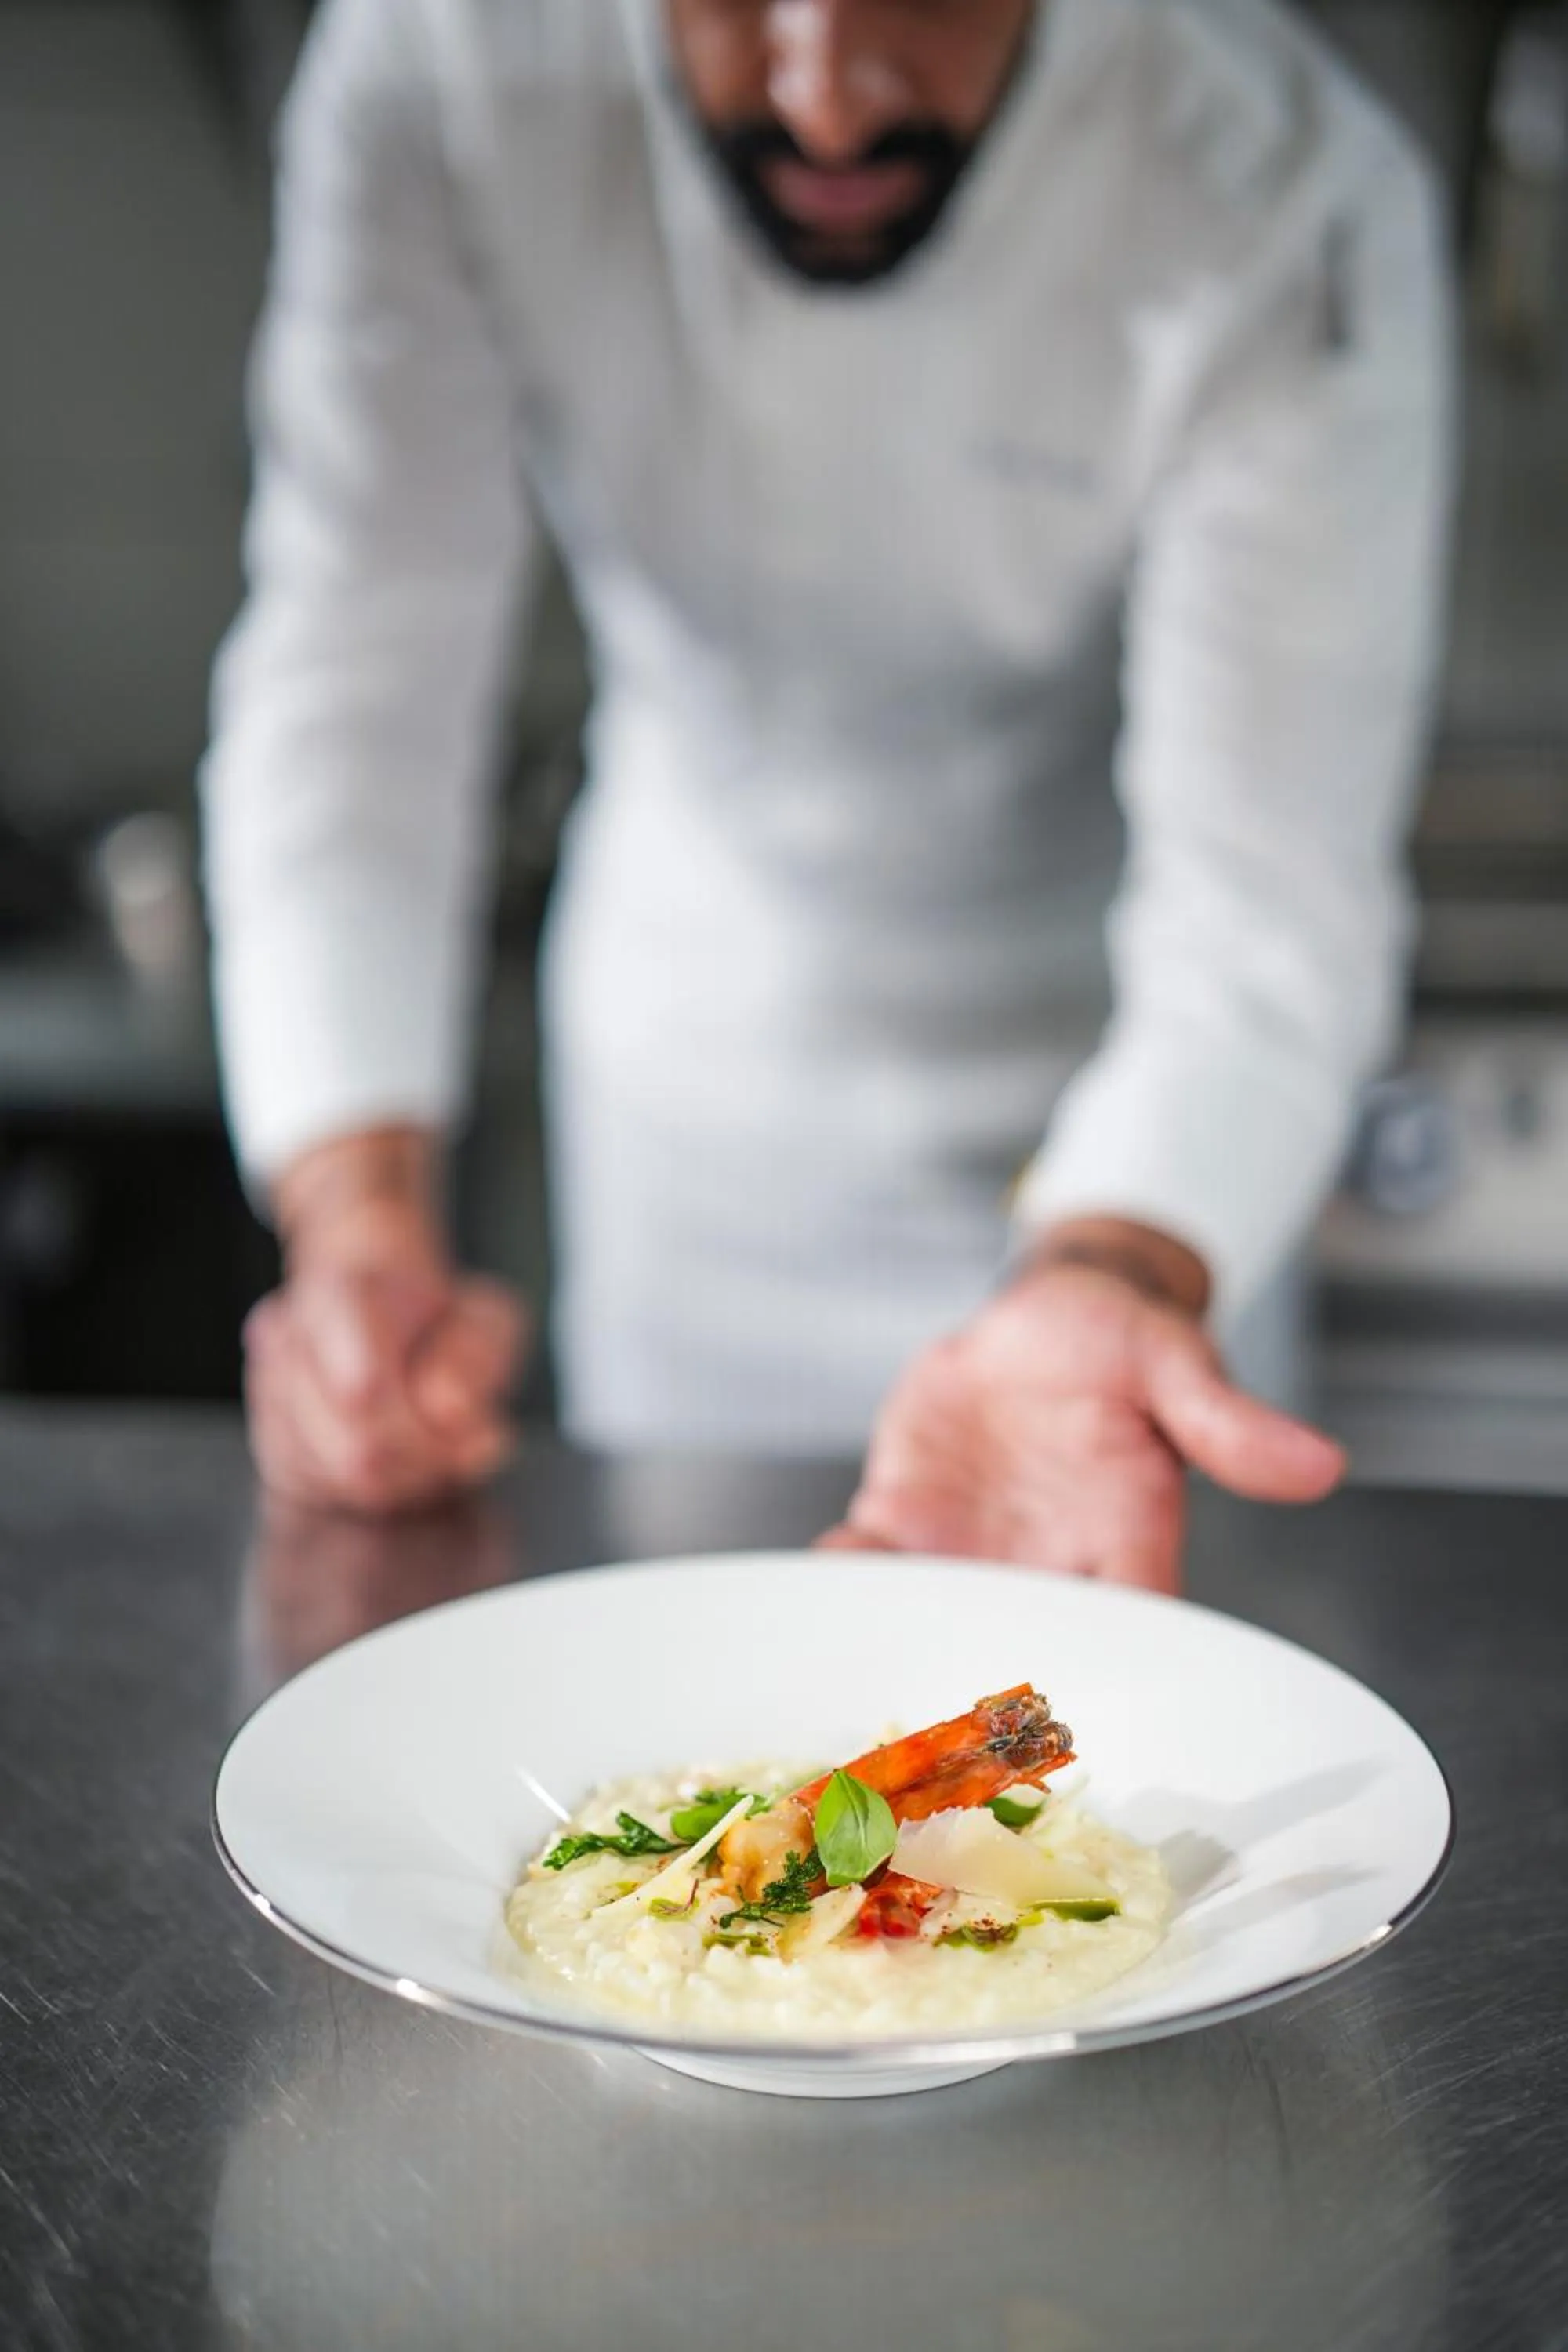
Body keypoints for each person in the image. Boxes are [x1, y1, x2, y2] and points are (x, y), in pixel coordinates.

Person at [205, 0, 1454, 1588]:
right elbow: (354, 678)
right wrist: (356, 1229)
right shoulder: (444, 67)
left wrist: (1117, 1254)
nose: (829, 103)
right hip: (696, 1127)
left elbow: (1273, 881)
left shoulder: (1280, 176)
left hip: (1144, 1132)